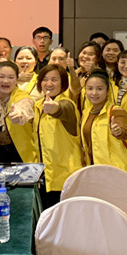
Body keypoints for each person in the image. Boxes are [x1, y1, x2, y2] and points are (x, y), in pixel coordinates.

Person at [33, 64, 81, 208]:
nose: (49, 83)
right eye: (45, 79)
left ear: (63, 83)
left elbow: (62, 109)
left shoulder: (68, 103)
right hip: (44, 177)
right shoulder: (38, 106)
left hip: (65, 178)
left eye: (54, 80)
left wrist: (54, 108)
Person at [78, 70, 127, 177]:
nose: (94, 93)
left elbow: (125, 132)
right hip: (94, 171)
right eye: (90, 88)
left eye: (99, 89)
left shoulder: (116, 111)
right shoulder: (86, 112)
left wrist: (119, 131)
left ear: (107, 91)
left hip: (116, 172)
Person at [0, 60, 37, 163]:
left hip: (19, 152)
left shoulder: (23, 97)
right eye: (1, 77)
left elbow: (25, 106)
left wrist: (19, 114)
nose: (6, 81)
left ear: (17, 79)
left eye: (11, 77)